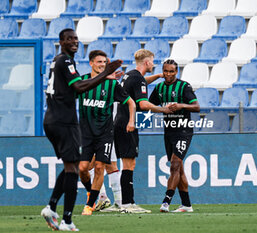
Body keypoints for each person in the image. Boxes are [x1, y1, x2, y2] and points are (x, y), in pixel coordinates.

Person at [41, 29, 122, 231]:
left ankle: (51, 207)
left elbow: (73, 88)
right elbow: (79, 87)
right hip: (63, 121)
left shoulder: (58, 61)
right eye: (69, 39)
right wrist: (105, 74)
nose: (74, 42)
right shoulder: (66, 61)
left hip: (53, 119)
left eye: (76, 39)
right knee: (73, 169)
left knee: (73, 166)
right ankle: (66, 220)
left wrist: (104, 77)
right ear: (61, 42)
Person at [78, 50, 136, 216]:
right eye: (99, 62)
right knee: (82, 169)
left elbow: (131, 103)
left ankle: (89, 205)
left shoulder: (112, 85)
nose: (102, 65)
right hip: (86, 133)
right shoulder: (82, 81)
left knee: (99, 167)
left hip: (105, 133)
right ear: (91, 63)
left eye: (104, 62)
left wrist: (131, 121)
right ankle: (92, 193)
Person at [114, 49, 172, 213]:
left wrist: (158, 76)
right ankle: (127, 204)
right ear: (147, 62)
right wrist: (163, 110)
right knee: (128, 164)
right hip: (127, 123)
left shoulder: (130, 75)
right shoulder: (136, 78)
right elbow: (144, 104)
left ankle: (127, 203)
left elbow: (141, 82)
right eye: (152, 61)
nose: (154, 64)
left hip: (120, 122)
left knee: (127, 163)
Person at [149, 59, 200, 213]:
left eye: (171, 71)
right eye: (166, 71)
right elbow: (149, 105)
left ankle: (166, 201)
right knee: (179, 169)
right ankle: (186, 204)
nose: (168, 74)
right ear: (162, 71)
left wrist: (181, 105)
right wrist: (160, 109)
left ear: (176, 72)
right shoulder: (159, 87)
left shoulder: (184, 86)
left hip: (183, 130)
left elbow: (197, 107)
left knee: (175, 164)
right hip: (168, 131)